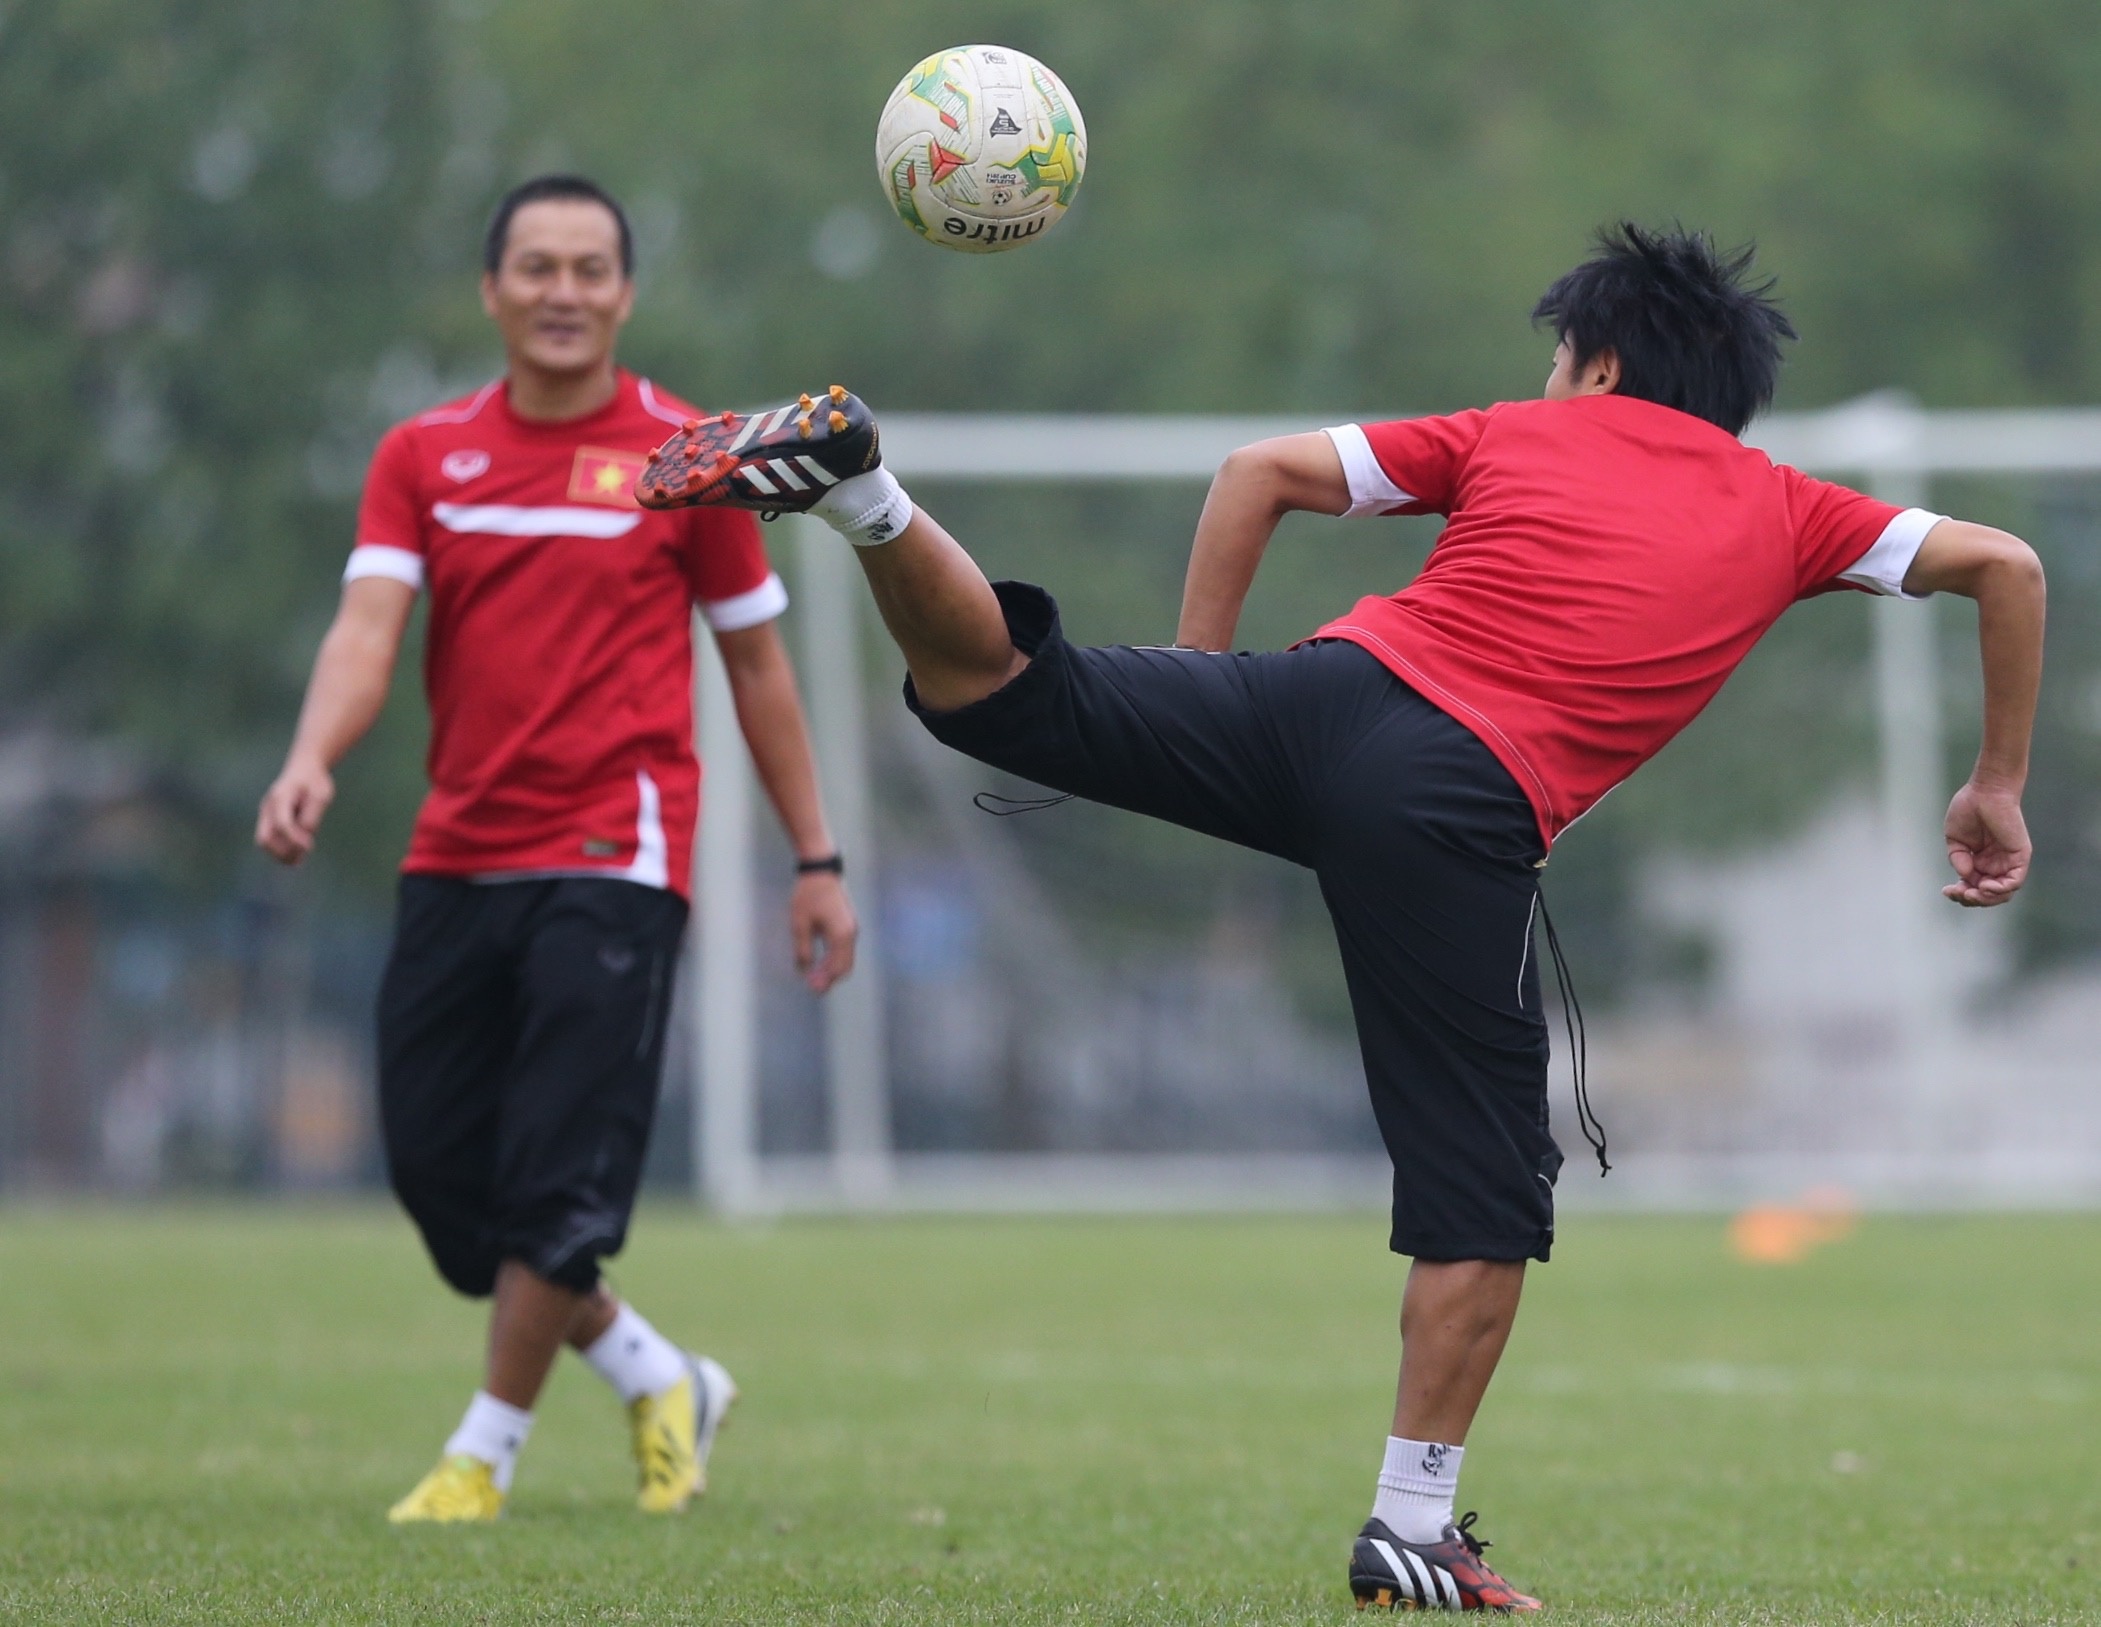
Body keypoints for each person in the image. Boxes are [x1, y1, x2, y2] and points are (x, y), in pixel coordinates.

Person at [636, 223, 2043, 1610]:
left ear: (1598, 366)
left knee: (1000, 696)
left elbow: (1259, 473)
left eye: (1559, 358)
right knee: (1484, 1190)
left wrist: (1191, 696)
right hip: (1458, 796)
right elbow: (2006, 568)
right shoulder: (1794, 508)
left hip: (1315, 707)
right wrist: (1990, 784)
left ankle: (866, 496)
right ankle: (1413, 1531)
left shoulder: (1511, 431)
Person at [256, 175, 858, 1523]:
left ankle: (483, 1453)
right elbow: (367, 630)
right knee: (437, 1176)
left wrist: (817, 858)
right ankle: (660, 1374)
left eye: (591, 268)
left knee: (554, 1178)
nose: (564, 292)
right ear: (493, 290)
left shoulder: (688, 458)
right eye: (537, 267)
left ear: (625, 294)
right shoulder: (423, 455)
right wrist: (312, 758)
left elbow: (757, 671)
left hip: (616, 856)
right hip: (456, 851)